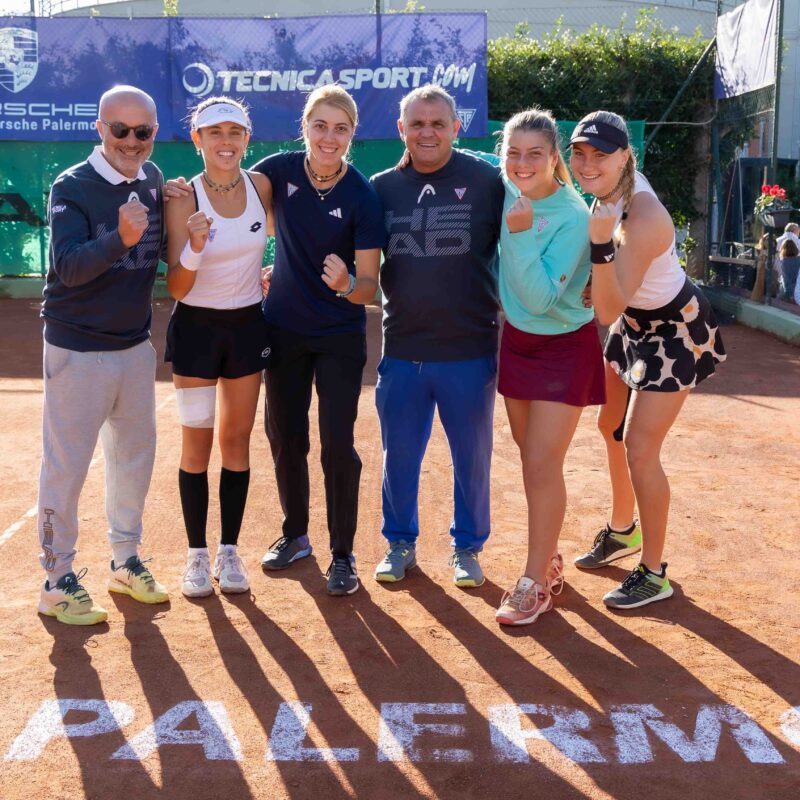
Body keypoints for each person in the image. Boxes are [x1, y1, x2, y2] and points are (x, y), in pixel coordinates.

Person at [569, 110, 726, 609]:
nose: (588, 164)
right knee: (609, 426)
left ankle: (654, 572)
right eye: (580, 153)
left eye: (600, 154)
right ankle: (623, 530)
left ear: (625, 157)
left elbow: (606, 309)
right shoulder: (605, 190)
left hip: (675, 330)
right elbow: (616, 299)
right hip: (633, 323)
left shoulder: (647, 215)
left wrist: (600, 249)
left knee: (640, 448)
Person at [465, 108, 606, 625]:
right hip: (519, 343)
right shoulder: (506, 183)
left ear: (554, 157)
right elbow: (468, 158)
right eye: (513, 153)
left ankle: (533, 584)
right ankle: (547, 556)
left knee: (543, 464)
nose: (522, 164)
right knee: (532, 462)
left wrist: (521, 234)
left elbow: (541, 298)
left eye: (535, 154)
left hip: (564, 345)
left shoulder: (572, 215)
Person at [37, 85, 168, 625]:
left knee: (134, 460)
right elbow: (68, 267)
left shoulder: (154, 179)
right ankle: (55, 581)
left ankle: (125, 560)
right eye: (120, 129)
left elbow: (166, 251)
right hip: (77, 349)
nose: (131, 141)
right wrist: (120, 238)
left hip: (134, 347)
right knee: (66, 467)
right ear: (100, 128)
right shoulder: (72, 186)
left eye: (143, 131)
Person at [370, 85, 504, 588]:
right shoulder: (380, 188)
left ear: (455, 127)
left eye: (438, 123)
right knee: (399, 457)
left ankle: (467, 548)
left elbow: (540, 218)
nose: (427, 132)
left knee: (471, 459)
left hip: (470, 350)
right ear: (401, 129)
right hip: (403, 350)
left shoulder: (489, 180)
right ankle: (399, 543)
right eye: (417, 124)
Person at [254, 86, 385, 595]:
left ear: (352, 134)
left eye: (341, 128)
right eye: (321, 125)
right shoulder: (277, 170)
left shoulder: (362, 196)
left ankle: (343, 554)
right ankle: (295, 535)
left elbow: (370, 287)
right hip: (283, 329)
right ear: (305, 127)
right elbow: (229, 195)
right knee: (286, 436)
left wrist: (347, 284)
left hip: (338, 334)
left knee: (337, 445)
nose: (329, 137)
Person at [165, 97, 272, 598]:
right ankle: (196, 554)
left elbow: (291, 235)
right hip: (196, 330)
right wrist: (195, 246)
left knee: (236, 440)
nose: (225, 142)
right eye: (214, 132)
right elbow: (177, 286)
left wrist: (276, 273)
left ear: (246, 138)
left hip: (248, 326)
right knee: (197, 445)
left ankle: (229, 550)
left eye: (234, 132)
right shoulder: (182, 197)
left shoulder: (262, 186)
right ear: (198, 139)